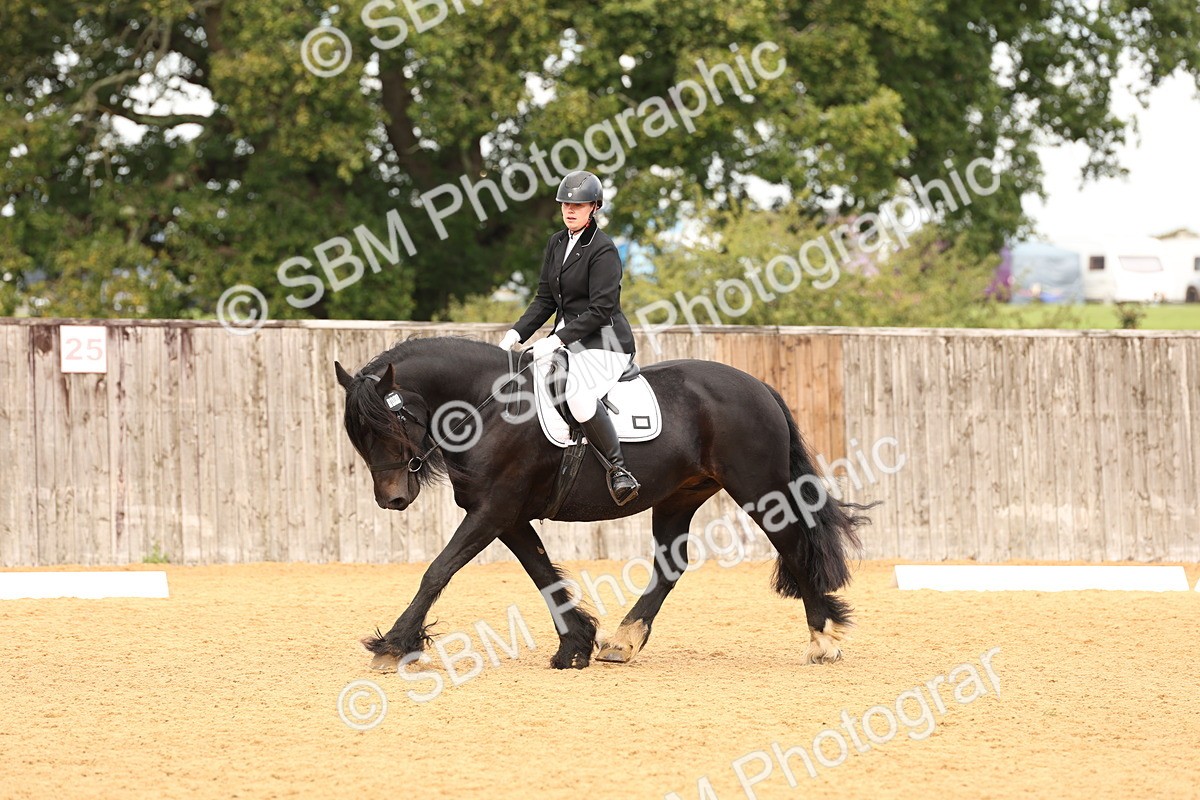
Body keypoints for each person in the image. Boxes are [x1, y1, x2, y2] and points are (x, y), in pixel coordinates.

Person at [498, 170, 640, 506]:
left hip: (606, 343)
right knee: (525, 379)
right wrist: (515, 334)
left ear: (594, 207)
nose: (570, 209)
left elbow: (601, 309)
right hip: (568, 341)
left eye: (579, 204)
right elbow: (545, 298)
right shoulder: (556, 243)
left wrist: (556, 339)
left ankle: (618, 470)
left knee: (576, 392)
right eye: (566, 203)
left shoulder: (603, 250)